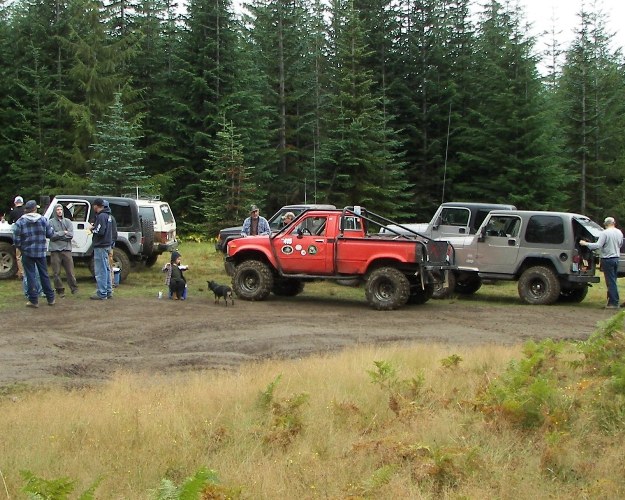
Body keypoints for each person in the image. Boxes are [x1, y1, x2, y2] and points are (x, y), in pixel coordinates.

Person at [13, 200, 55, 307]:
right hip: (40, 252)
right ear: (35, 209)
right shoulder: (43, 220)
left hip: (27, 252)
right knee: (44, 274)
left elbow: (16, 239)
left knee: (30, 275)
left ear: (26, 209)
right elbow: (50, 234)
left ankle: (33, 300)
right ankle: (50, 298)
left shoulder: (20, 222)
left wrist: (21, 248)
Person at [580, 216, 623, 309]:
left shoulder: (605, 233)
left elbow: (598, 245)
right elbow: (620, 244)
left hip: (607, 259)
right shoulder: (619, 232)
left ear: (605, 224)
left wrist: (585, 244)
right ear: (614, 223)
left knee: (610, 281)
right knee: (613, 280)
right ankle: (611, 301)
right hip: (616, 258)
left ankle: (614, 303)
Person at [48, 203, 78, 297]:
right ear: (55, 211)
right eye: (57, 210)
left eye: (61, 209)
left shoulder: (68, 221)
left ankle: (74, 289)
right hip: (55, 250)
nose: (59, 211)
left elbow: (70, 235)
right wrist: (63, 233)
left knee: (70, 271)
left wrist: (59, 235)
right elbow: (51, 236)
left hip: (66, 249)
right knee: (56, 272)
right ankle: (60, 290)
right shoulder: (50, 222)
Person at [89, 198, 114, 300]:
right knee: (107, 269)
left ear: (96, 205)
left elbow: (100, 231)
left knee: (101, 270)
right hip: (107, 244)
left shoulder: (101, 216)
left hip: (100, 245)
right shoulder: (108, 216)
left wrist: (92, 229)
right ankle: (108, 291)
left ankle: (102, 292)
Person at [8, 196, 25, 279]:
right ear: (22, 202)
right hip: (27, 235)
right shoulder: (26, 210)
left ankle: (22, 273)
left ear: (15, 203)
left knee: (18, 256)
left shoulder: (13, 211)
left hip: (18, 235)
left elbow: (10, 222)